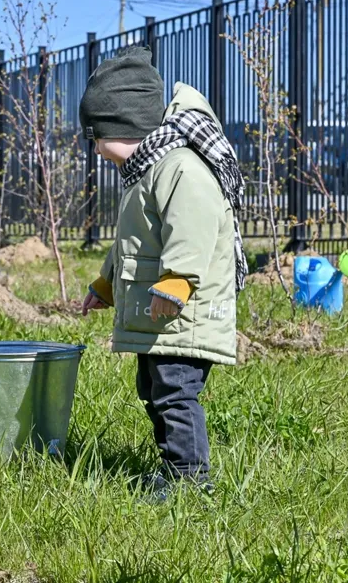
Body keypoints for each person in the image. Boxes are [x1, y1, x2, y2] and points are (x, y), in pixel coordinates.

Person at [79, 45, 247, 499]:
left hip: (182, 313)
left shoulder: (180, 168)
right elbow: (132, 244)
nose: (95, 147)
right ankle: (173, 470)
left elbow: (193, 228)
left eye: (97, 135)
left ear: (127, 125)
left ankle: (190, 478)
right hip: (161, 316)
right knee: (154, 390)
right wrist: (106, 285)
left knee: (174, 393)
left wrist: (177, 281)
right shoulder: (145, 172)